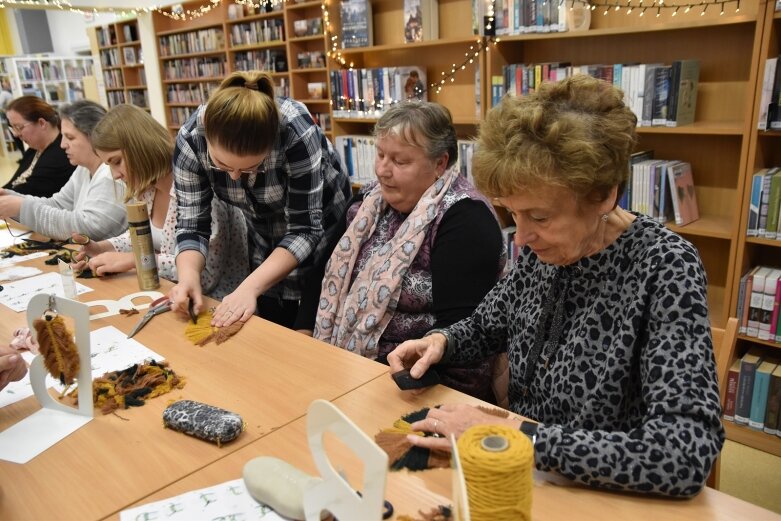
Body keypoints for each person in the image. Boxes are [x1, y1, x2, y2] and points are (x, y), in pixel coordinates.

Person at [387, 75, 723, 497]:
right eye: (514, 215)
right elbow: (490, 323)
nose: (522, 238)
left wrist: (517, 435)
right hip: (520, 478)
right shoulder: (542, 253)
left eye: (540, 218)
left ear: (604, 196)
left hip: (601, 498)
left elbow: (684, 453)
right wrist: (441, 341)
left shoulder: (665, 268)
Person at [299, 101, 506, 403]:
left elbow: (460, 333)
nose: (382, 170)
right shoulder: (368, 200)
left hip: (419, 388)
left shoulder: (465, 220)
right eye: (380, 155)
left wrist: (360, 381)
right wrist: (304, 344)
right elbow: (322, 271)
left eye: (400, 161)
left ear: (439, 163)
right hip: (344, 369)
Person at [169, 71, 351, 328]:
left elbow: (305, 229)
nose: (233, 177)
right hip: (262, 229)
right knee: (269, 310)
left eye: (249, 169)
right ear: (207, 136)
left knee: (312, 321)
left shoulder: (295, 131)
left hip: (324, 224)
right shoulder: (190, 139)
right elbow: (191, 224)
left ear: (270, 147)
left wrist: (249, 288)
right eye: (221, 165)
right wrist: (188, 276)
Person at [71, 104, 249, 300]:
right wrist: (103, 248)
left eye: (117, 161)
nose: (114, 175)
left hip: (218, 305)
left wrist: (137, 261)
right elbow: (142, 238)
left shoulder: (198, 189)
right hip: (171, 297)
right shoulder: (148, 189)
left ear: (140, 148)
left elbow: (205, 278)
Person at [0, 100, 126, 241]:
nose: (62, 144)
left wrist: (21, 207)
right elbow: (59, 204)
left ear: (95, 137)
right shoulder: (83, 169)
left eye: (70, 137)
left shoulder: (112, 175)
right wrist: (12, 198)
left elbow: (89, 229)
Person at [3, 96, 76, 197]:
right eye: (13, 128)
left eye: (19, 127)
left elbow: (21, 196)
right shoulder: (34, 150)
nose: (15, 134)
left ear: (41, 123)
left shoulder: (60, 157)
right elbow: (12, 183)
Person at [0, 80, 24, 154]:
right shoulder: (4, 93)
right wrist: (7, 112)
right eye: (6, 83)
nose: (8, 84)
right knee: (17, 136)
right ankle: (23, 153)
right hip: (11, 118)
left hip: (14, 117)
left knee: (18, 136)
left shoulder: (11, 92)